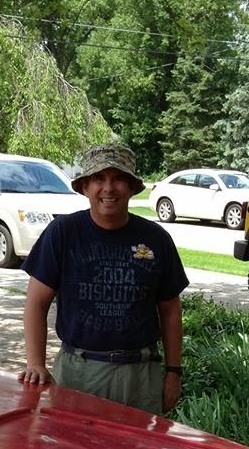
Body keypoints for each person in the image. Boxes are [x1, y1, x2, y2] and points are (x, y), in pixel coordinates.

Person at [18, 143, 189, 415]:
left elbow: (170, 310)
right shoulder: (62, 233)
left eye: (119, 178)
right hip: (78, 373)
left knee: (138, 445)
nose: (108, 188)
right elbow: (36, 303)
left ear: (132, 187)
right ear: (85, 187)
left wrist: (173, 372)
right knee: (73, 443)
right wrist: (36, 363)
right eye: (98, 178)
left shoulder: (156, 239)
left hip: (141, 378)